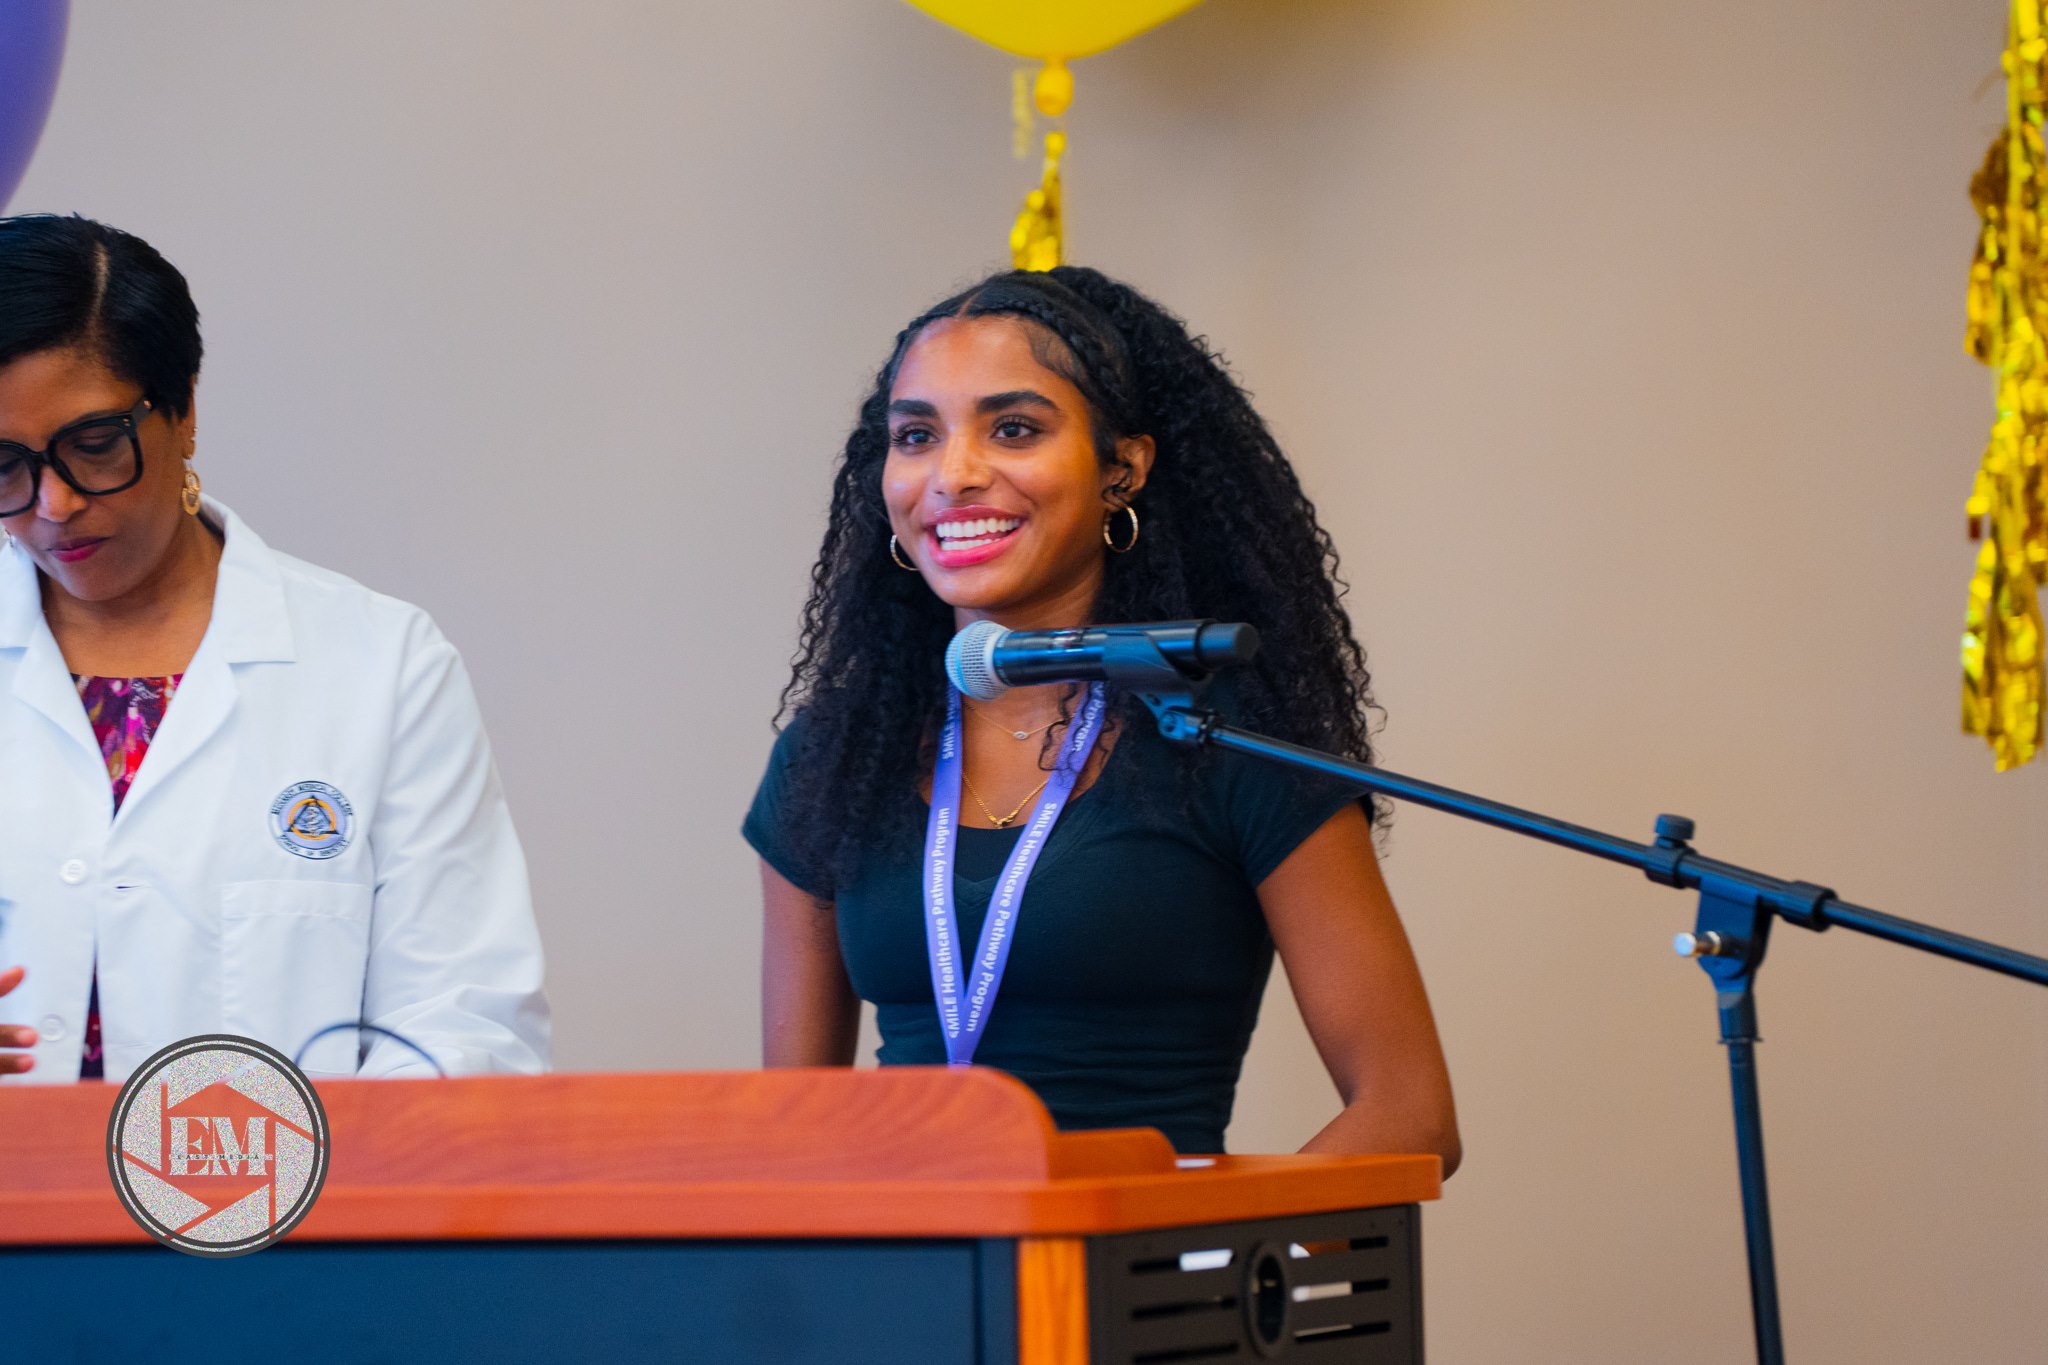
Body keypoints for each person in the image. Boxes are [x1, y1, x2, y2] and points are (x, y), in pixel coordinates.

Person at [747, 265, 1458, 1164]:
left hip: (1150, 1286)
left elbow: (1409, 1114)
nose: (954, 474)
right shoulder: (834, 755)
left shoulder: (1226, 737)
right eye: (916, 435)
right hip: (911, 1292)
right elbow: (790, 1142)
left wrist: (1191, 1257)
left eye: (1013, 428)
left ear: (1121, 468)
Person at [0, 214, 547, 1081]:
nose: (54, 504)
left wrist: (299, 1196)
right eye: (5, 464)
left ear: (181, 410)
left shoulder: (381, 666)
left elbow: (463, 1027)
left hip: (292, 1208)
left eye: (94, 447)